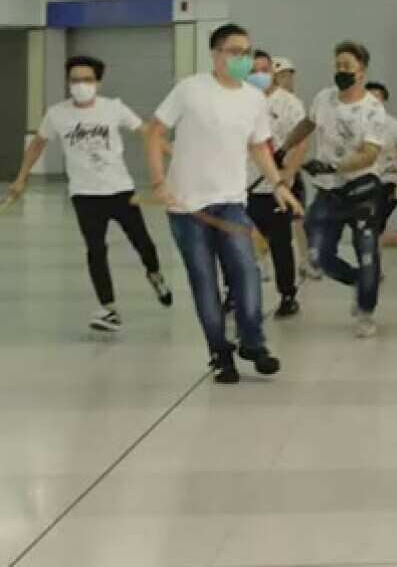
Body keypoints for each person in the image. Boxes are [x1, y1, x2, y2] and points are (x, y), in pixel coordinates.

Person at [145, 23, 299, 384]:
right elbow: (154, 132)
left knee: (246, 273)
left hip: (231, 201)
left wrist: (278, 183)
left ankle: (252, 343)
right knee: (204, 282)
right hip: (187, 207)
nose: (242, 58)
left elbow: (259, 146)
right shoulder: (190, 89)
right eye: (234, 51)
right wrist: (157, 181)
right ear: (215, 54)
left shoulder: (253, 98)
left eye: (247, 51)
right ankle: (220, 353)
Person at [7, 55, 173, 332]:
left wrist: (174, 154)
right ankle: (109, 309)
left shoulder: (114, 108)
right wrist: (21, 178)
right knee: (96, 250)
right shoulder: (57, 113)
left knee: (143, 242)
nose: (80, 85)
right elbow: (37, 145)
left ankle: (154, 274)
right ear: (68, 82)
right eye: (75, 80)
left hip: (120, 191)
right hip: (84, 195)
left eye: (87, 79)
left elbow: (147, 132)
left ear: (98, 82)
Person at [281, 41, 388, 338]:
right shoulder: (324, 98)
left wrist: (335, 167)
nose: (341, 71)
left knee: (367, 253)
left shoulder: (372, 109)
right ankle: (359, 281)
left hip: (362, 190)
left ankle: (366, 311)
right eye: (338, 65)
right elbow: (307, 124)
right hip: (328, 194)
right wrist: (284, 148)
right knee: (318, 255)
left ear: (361, 71)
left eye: (347, 67)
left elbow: (369, 153)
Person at [244, 51, 306, 319]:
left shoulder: (290, 104)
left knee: (280, 242)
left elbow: (301, 141)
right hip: (242, 185)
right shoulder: (240, 101)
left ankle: (287, 294)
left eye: (264, 69)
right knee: (237, 243)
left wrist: (288, 174)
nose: (259, 75)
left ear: (273, 72)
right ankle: (235, 295)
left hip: (276, 186)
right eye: (254, 70)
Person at [271, 56, 316, 280]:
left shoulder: (292, 103)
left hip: (289, 168)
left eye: (290, 74)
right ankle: (258, 263)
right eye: (283, 74)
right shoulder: (260, 100)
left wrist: (291, 168)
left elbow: (301, 138)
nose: (288, 79)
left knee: (298, 217)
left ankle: (306, 261)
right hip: (265, 170)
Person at [366, 82, 397, 236]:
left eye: (377, 99)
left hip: (387, 181)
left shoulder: (396, 128)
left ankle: (373, 258)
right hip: (363, 181)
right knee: (369, 228)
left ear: (384, 101)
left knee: (374, 225)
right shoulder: (356, 124)